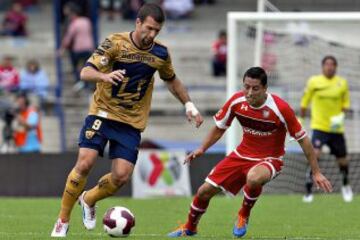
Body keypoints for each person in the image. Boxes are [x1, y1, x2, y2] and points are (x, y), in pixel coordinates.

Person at [51, 3, 204, 237]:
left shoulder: (160, 53)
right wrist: (104, 75)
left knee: (121, 176)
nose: (151, 35)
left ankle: (89, 199)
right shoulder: (115, 42)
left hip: (131, 121)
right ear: (138, 23)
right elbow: (85, 72)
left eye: (157, 31)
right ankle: (62, 221)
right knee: (85, 162)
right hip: (102, 112)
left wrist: (189, 104)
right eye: (149, 28)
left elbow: (172, 80)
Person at [168, 67, 332, 238]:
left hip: (270, 159)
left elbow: (304, 140)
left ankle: (243, 215)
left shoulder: (280, 108)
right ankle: (189, 228)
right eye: (246, 86)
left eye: (255, 88)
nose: (249, 92)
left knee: (253, 178)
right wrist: (202, 148)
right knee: (203, 191)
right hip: (241, 155)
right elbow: (219, 127)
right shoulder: (237, 101)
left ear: (265, 88)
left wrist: (317, 172)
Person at [300, 55, 352, 203]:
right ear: (322, 67)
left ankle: (346, 185)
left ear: (336, 67)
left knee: (343, 161)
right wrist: (301, 120)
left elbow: (346, 104)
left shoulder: (342, 83)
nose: (330, 67)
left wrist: (341, 116)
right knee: (314, 155)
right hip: (319, 127)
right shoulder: (314, 82)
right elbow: (305, 102)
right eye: (327, 64)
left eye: (332, 65)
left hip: (336, 129)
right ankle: (309, 190)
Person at [59, 2, 95, 91]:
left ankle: (81, 82)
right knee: (88, 66)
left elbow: (68, 38)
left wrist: (62, 49)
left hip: (78, 49)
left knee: (77, 67)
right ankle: (88, 84)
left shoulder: (74, 24)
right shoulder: (87, 21)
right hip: (89, 47)